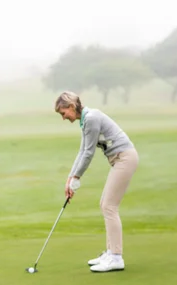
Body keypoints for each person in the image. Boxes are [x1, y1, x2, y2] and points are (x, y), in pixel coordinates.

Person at [55, 91, 139, 273]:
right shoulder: (86, 119)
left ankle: (116, 257)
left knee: (109, 206)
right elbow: (82, 150)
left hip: (125, 158)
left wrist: (76, 178)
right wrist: (70, 178)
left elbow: (88, 153)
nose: (63, 118)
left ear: (71, 106)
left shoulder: (92, 118)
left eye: (63, 113)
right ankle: (110, 253)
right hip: (119, 159)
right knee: (105, 204)